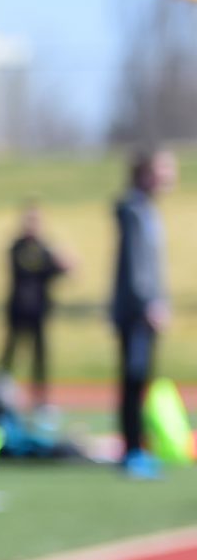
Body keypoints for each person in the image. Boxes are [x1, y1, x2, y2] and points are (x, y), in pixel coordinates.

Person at [112, 147, 175, 479]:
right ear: (147, 173)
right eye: (165, 169)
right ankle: (132, 450)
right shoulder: (133, 209)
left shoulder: (147, 210)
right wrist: (148, 303)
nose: (171, 176)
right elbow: (137, 267)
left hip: (145, 311)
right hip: (136, 313)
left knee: (142, 381)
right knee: (133, 380)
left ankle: (139, 446)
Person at [0, 202, 71, 407]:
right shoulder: (18, 247)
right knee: (9, 356)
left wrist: (64, 266)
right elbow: (25, 268)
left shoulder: (45, 248)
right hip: (19, 309)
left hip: (39, 310)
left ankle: (40, 400)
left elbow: (52, 274)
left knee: (40, 358)